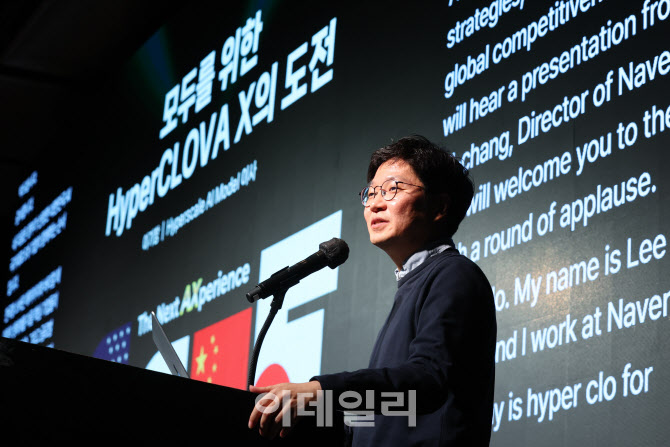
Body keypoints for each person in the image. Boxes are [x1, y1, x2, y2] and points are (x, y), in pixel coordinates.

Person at [248, 135, 497, 446]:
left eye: (392, 189)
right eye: (371, 193)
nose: (375, 203)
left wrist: (321, 392)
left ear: (440, 207)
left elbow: (428, 384)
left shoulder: (453, 274)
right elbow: (391, 412)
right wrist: (309, 412)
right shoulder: (412, 284)